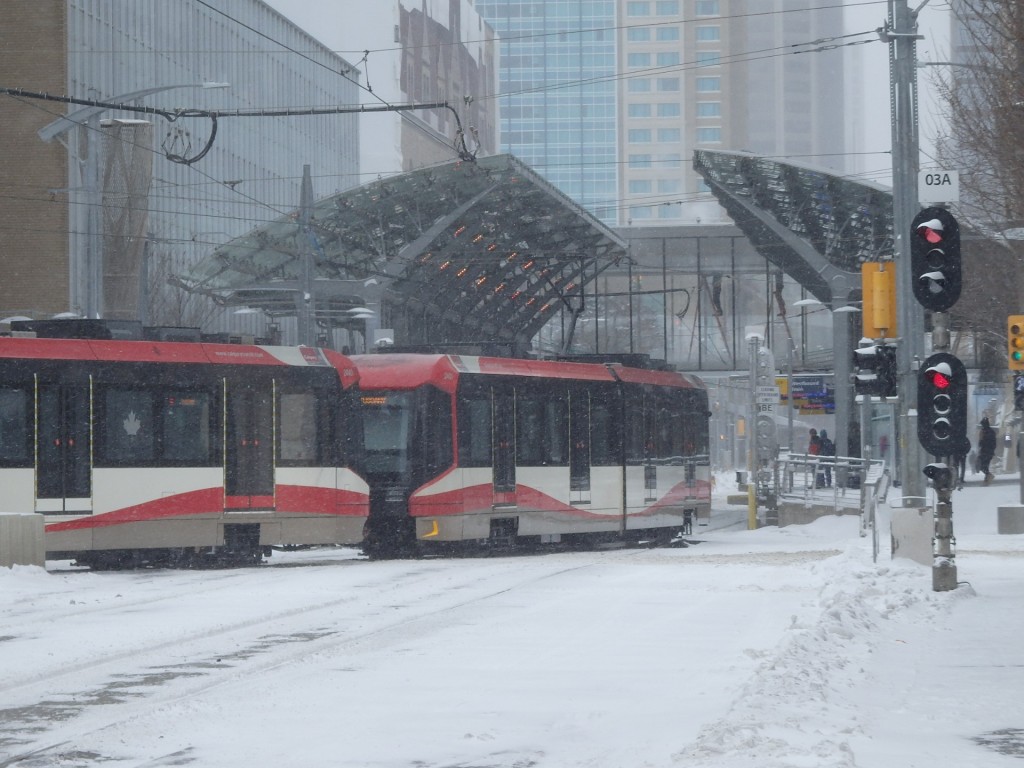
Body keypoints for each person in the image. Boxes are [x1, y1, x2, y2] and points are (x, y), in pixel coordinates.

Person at [978, 417, 997, 485]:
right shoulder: (992, 432)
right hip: (990, 452)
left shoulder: (983, 432)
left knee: (982, 466)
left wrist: (981, 439)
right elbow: (994, 443)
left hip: (984, 451)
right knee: (985, 466)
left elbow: (981, 443)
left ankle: (989, 476)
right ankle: (986, 480)